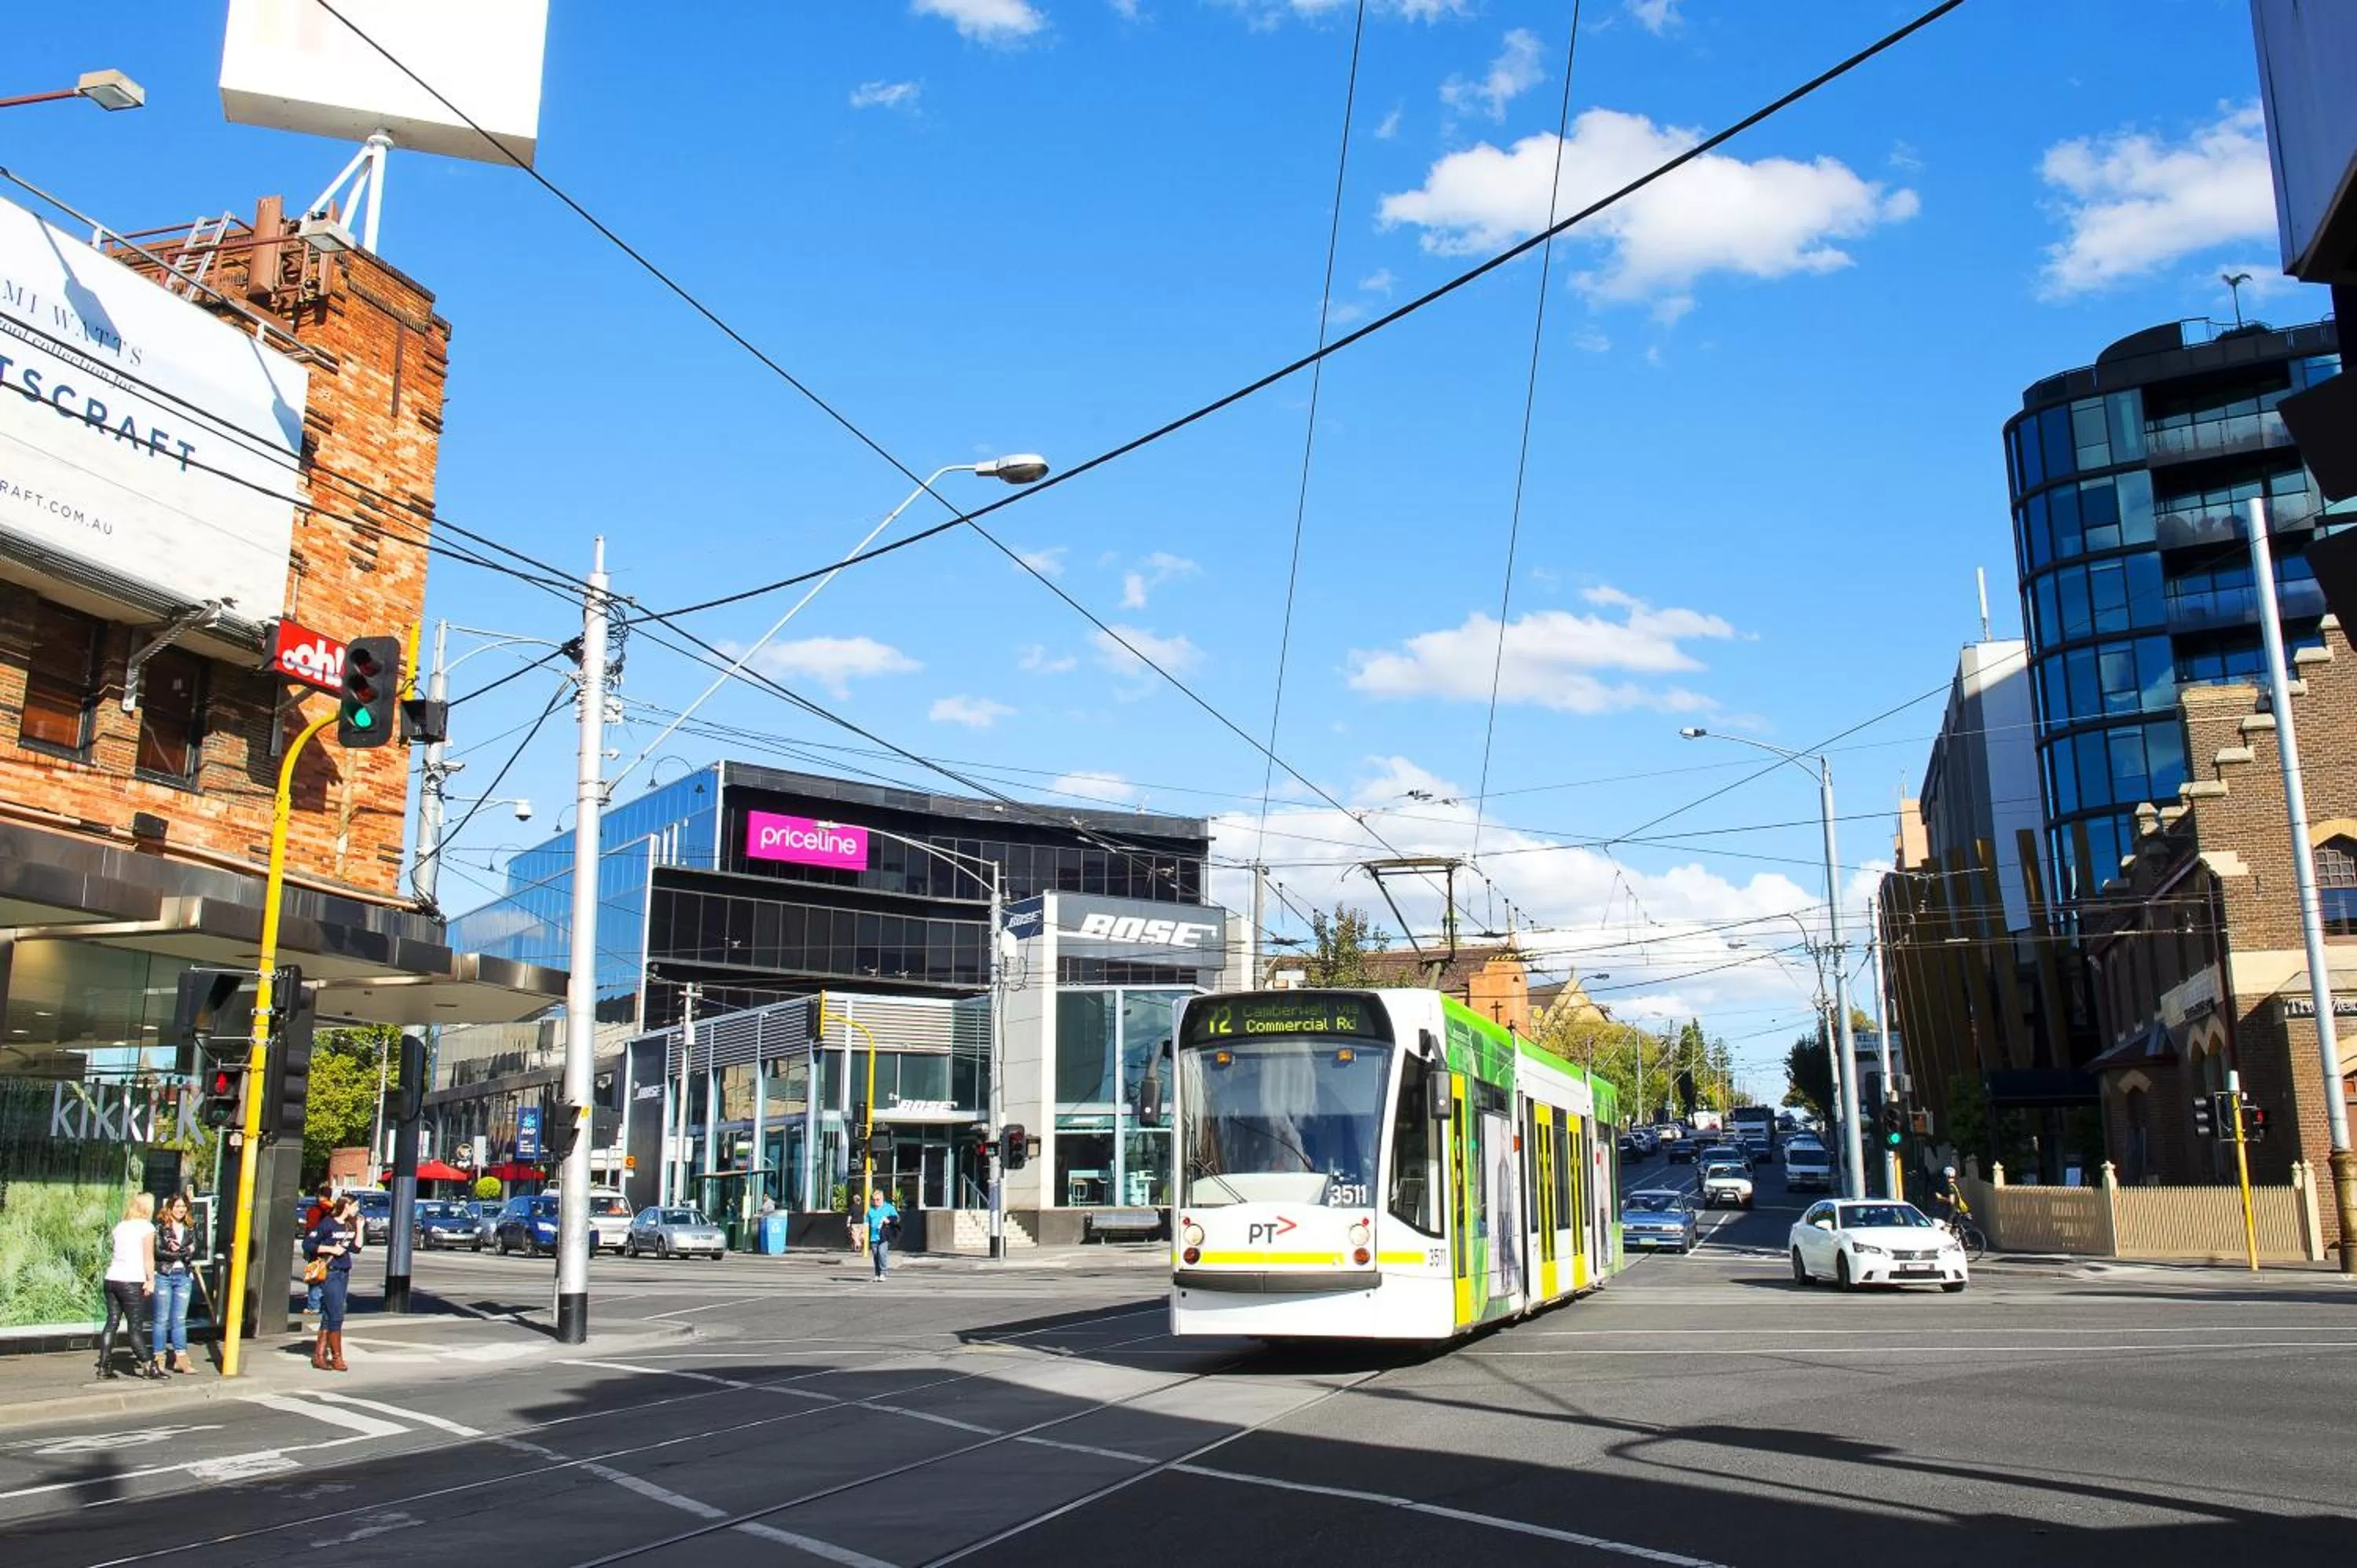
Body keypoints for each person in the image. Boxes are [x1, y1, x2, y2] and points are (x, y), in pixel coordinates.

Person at [97, 1192, 163, 1381]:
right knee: (135, 1327)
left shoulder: (120, 1226)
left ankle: (103, 1366)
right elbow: (148, 1257)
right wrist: (151, 1280)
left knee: (112, 1322)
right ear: (147, 1208)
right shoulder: (146, 1228)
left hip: (112, 1278)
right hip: (132, 1280)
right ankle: (149, 1365)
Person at [304, 1195, 361, 1372]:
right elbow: (308, 1244)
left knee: (330, 1313)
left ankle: (319, 1356)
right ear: (346, 1206)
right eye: (355, 1206)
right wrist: (331, 1249)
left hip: (344, 1272)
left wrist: (359, 1228)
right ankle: (337, 1357)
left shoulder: (350, 1225)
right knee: (336, 1314)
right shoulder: (328, 1224)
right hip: (330, 1272)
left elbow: (357, 1248)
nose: (357, 1209)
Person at [152, 1192, 203, 1376]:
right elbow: (157, 1251)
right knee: (161, 1319)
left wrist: (188, 1251)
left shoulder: (190, 1226)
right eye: (177, 1206)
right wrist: (177, 1253)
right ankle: (159, 1358)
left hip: (183, 1276)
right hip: (164, 1274)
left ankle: (181, 1359)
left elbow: (197, 1247)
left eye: (184, 1207)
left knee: (180, 1320)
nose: (181, 1210)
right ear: (170, 1208)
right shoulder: (160, 1226)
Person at [301, 1181, 334, 1321]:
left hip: (317, 1247)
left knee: (315, 1275)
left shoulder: (315, 1210)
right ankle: (332, 1304)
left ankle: (314, 1305)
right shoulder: (335, 1209)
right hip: (333, 1248)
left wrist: (307, 1248)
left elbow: (310, 1230)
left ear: (319, 1196)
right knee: (331, 1276)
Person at [864, 1190, 900, 1280]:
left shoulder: (888, 1207)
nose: (876, 1202)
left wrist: (888, 1220)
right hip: (874, 1236)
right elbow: (866, 1222)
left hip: (884, 1235)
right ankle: (877, 1273)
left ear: (882, 1199)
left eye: (878, 1200)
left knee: (882, 1253)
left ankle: (883, 1273)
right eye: (874, 1200)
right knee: (876, 1255)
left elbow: (897, 1218)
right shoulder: (870, 1210)